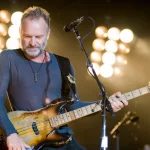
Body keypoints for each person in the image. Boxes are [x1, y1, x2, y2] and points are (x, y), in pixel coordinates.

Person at [0, 6, 128, 150]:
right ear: (20, 32)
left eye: (38, 37)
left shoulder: (63, 64)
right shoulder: (8, 58)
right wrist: (11, 133)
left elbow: (72, 104)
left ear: (48, 34)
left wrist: (105, 104)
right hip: (28, 141)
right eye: (27, 36)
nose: (32, 42)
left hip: (61, 138)